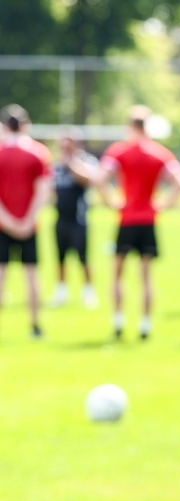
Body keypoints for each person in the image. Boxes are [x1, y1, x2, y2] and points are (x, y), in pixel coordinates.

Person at [95, 105, 180, 340]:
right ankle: (145, 325)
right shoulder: (159, 153)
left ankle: (118, 321)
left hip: (127, 218)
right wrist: (163, 204)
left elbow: (99, 178)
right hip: (148, 220)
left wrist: (111, 201)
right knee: (146, 276)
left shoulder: (119, 150)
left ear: (130, 125)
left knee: (118, 273)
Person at [0, 104, 52, 339]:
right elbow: (43, 191)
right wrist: (27, 220)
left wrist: (8, 221)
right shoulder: (38, 152)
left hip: (3, 224)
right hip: (28, 225)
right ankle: (35, 326)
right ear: (25, 124)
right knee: (31, 274)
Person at [51, 127, 101, 309]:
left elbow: (88, 180)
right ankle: (61, 292)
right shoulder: (56, 165)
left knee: (83, 257)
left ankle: (88, 291)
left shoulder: (86, 161)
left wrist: (70, 164)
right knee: (60, 258)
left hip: (78, 219)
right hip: (61, 218)